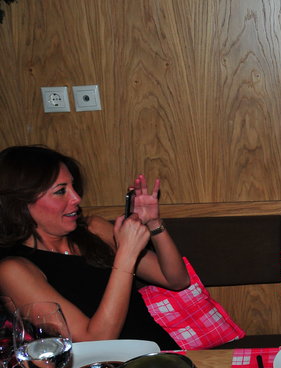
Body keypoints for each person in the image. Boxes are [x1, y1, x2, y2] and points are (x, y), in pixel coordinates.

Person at [0, 145, 190, 349]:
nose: (77, 198)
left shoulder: (94, 229)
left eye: (73, 186)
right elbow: (95, 342)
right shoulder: (13, 270)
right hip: (107, 367)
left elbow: (177, 280)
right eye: (61, 191)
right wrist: (126, 255)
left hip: (160, 353)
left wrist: (153, 223)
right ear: (21, 204)